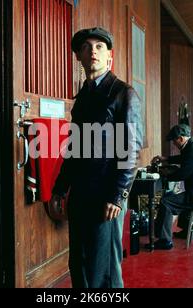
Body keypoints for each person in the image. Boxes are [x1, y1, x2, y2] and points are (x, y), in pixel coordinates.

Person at [50, 27, 143, 288]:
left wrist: (118, 195)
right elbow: (73, 149)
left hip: (106, 196)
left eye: (99, 46)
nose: (93, 51)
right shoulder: (83, 99)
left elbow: (131, 149)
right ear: (79, 56)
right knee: (78, 263)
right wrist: (60, 188)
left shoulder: (123, 94)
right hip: (80, 194)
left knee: (103, 269)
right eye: (86, 47)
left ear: (109, 57)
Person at [150, 124, 193, 250]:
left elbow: (183, 174)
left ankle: (165, 241)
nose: (173, 143)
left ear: (181, 138)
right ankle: (186, 231)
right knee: (178, 196)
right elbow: (183, 158)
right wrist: (165, 159)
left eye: (174, 140)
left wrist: (164, 175)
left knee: (166, 202)